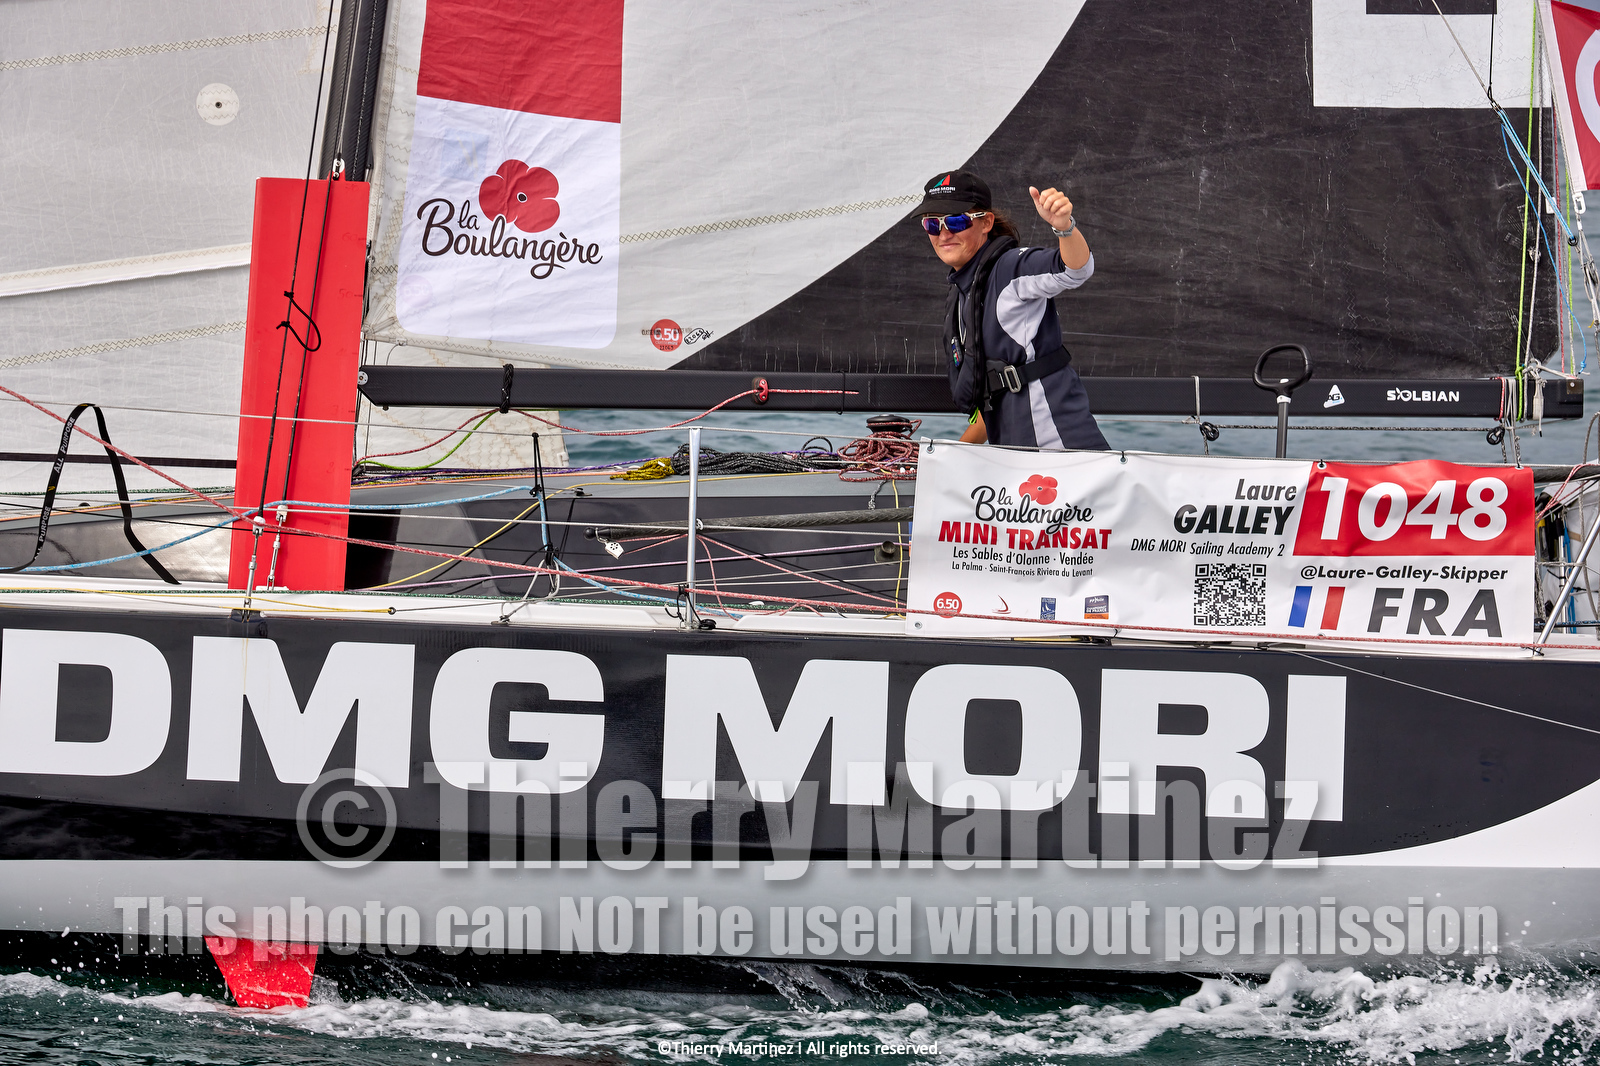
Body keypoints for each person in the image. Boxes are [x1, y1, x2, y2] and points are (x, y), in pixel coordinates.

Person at [918, 170, 1108, 450]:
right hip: (1013, 459)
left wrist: (1064, 227)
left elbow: (1076, 270)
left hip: (1062, 452)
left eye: (957, 221)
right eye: (932, 225)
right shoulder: (962, 294)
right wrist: (944, 458)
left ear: (986, 223)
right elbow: (995, 393)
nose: (944, 234)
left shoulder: (1010, 269)